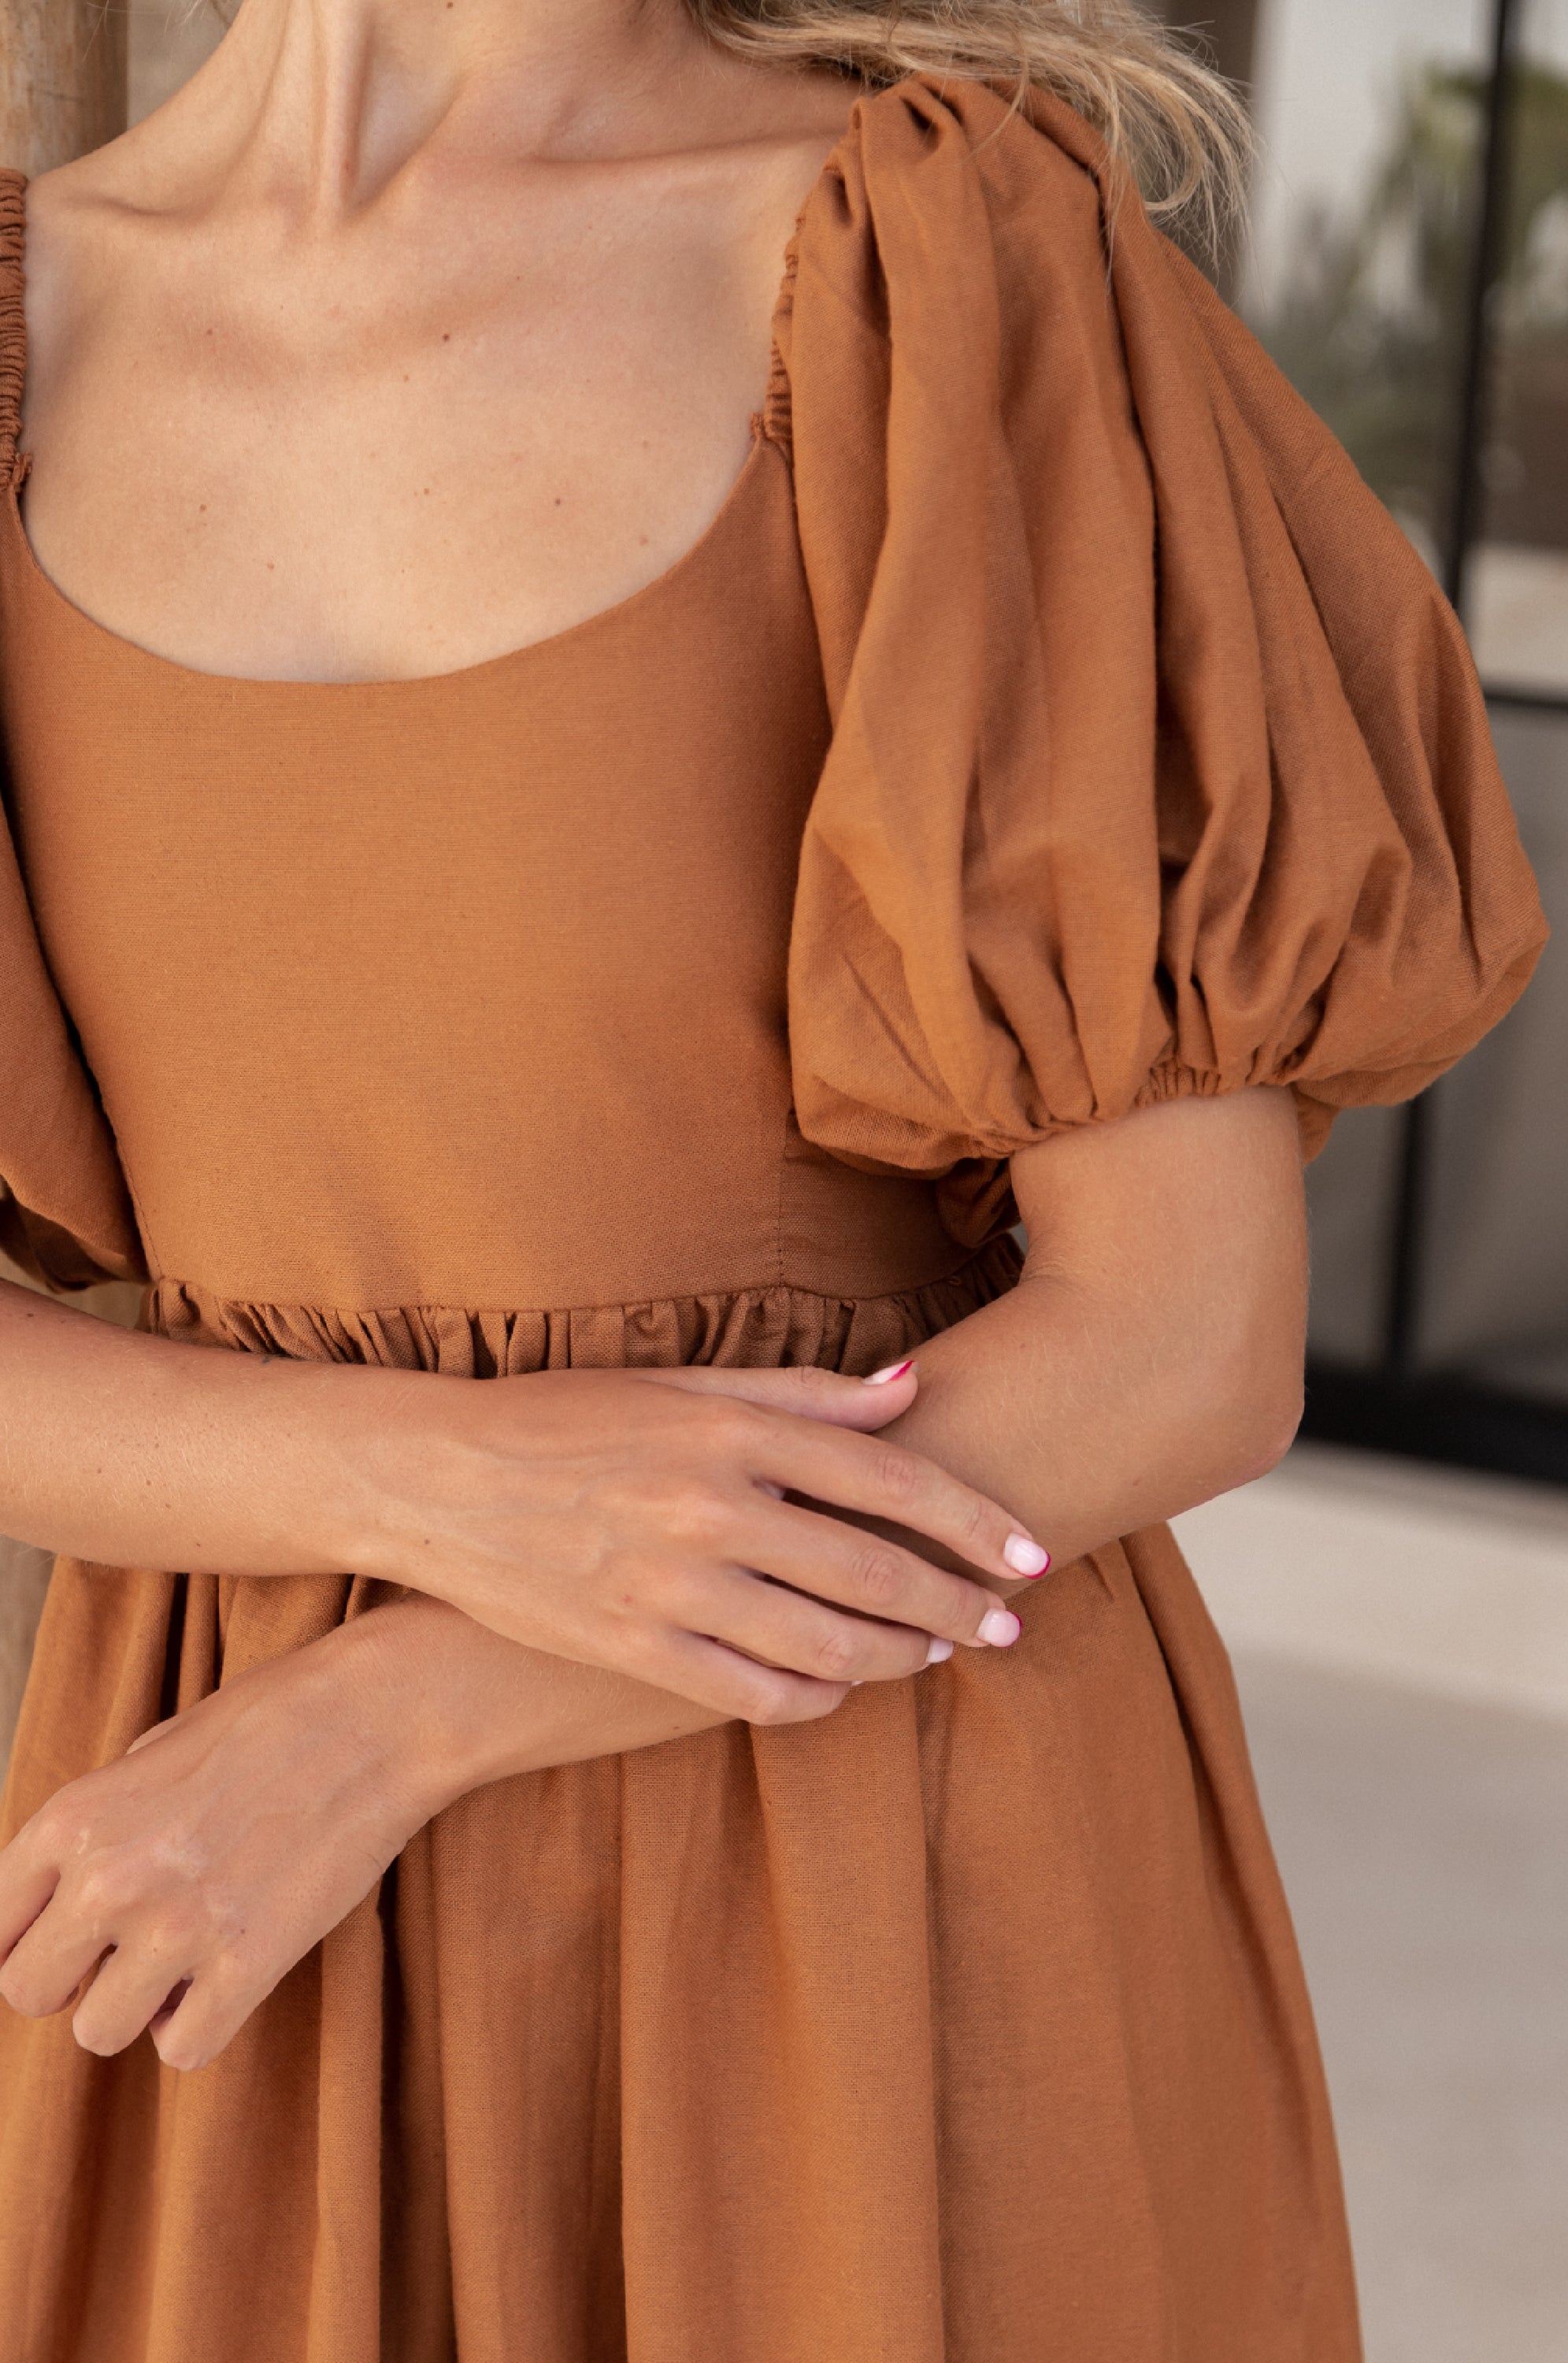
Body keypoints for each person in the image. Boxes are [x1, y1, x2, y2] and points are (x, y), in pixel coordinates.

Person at [0, 1, 1545, 2355]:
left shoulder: (933, 253)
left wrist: (390, 1714)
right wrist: (436, 1492)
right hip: (232, 1910)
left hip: (868, 1878)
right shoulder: (22, 322)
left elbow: (1182, 1342)